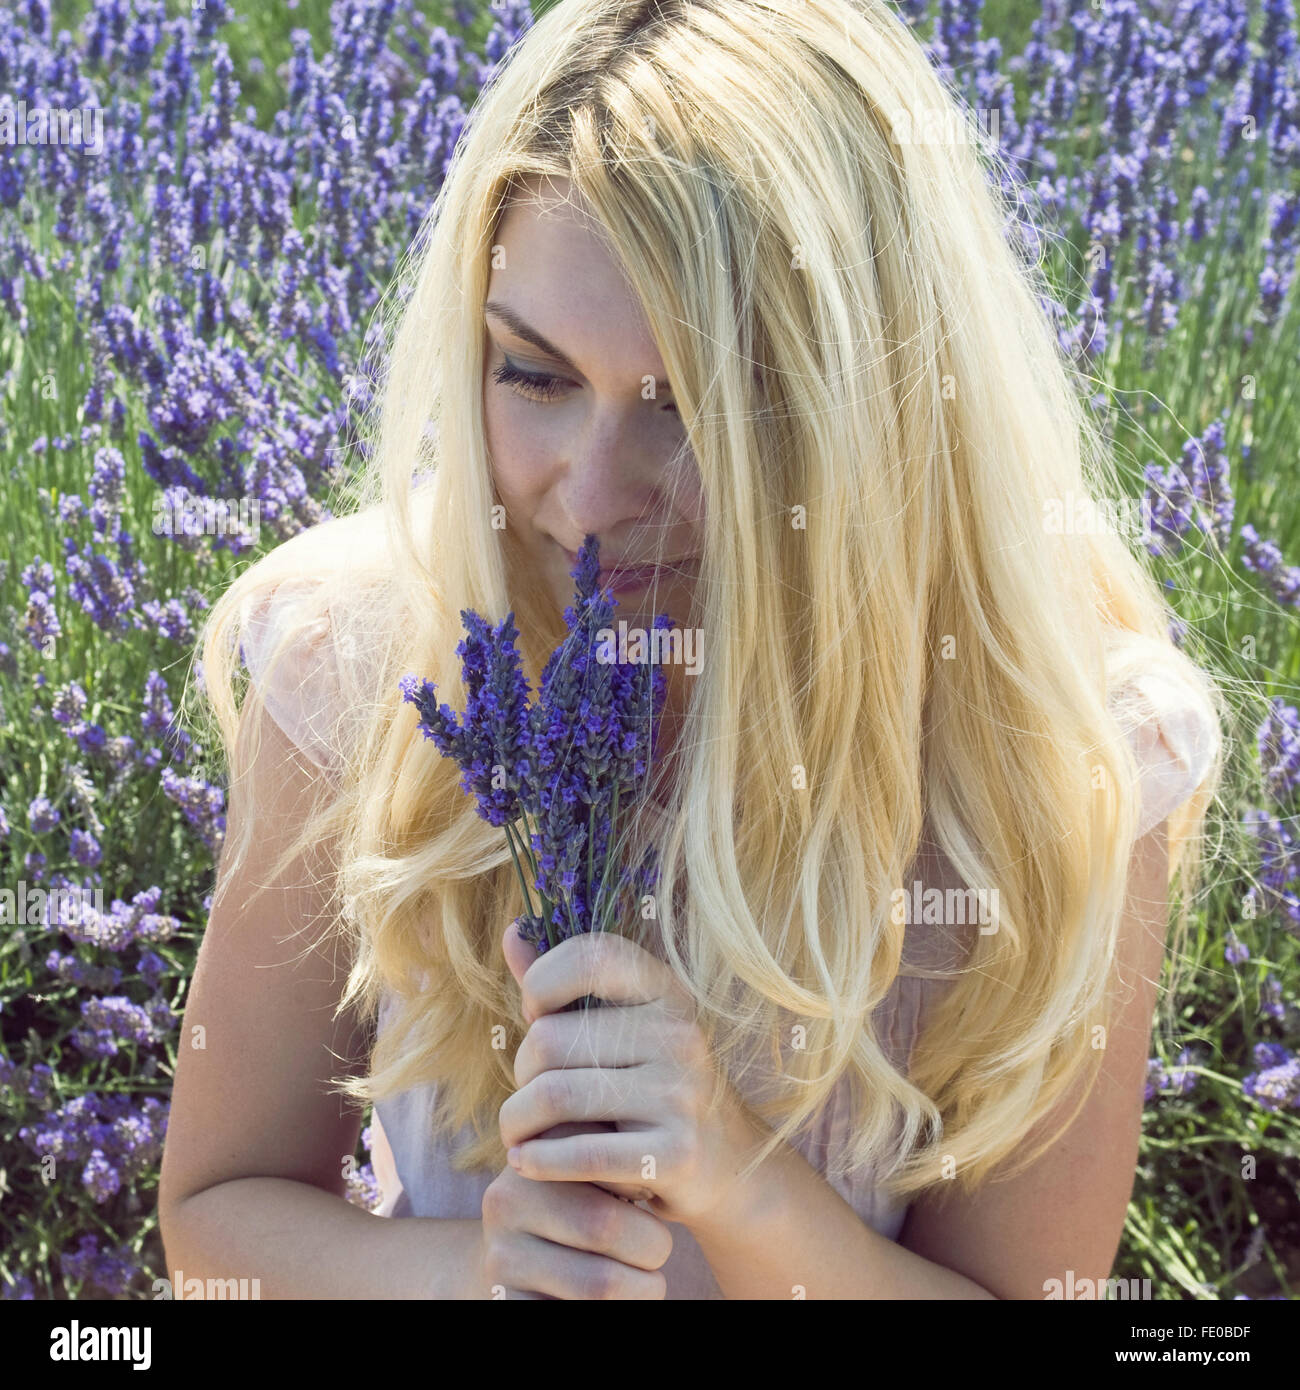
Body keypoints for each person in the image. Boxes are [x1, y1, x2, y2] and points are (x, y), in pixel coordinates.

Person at [159, 0, 1223, 1299]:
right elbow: (217, 1218)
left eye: (689, 406)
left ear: (861, 412)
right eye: (535, 375)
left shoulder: (1060, 758)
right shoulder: (368, 651)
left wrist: (739, 1183)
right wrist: (473, 1268)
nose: (592, 492)